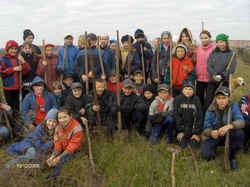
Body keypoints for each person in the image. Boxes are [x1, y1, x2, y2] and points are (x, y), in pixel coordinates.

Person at [201, 86, 245, 170]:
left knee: (239, 133)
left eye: (224, 98)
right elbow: (205, 129)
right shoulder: (210, 110)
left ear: (229, 98)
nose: (221, 101)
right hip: (215, 136)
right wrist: (211, 133)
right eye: (219, 98)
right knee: (206, 155)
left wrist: (229, 126)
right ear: (215, 99)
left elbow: (241, 122)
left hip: (228, 133)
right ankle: (215, 155)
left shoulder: (234, 107)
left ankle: (232, 157)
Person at [46, 107, 83, 179]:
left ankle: (52, 178)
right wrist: (53, 156)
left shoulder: (77, 127)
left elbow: (72, 147)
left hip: (74, 151)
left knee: (63, 161)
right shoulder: (58, 127)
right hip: (63, 149)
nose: (62, 120)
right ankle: (37, 168)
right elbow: (57, 144)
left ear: (70, 116)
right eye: (60, 118)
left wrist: (59, 158)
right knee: (49, 156)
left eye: (65, 117)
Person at [203, 33, 237, 112]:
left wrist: (222, 75)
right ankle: (206, 120)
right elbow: (209, 66)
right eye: (218, 42)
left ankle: (221, 121)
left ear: (226, 42)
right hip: (213, 81)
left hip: (224, 82)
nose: (220, 44)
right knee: (208, 101)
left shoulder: (231, 55)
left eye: (222, 42)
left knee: (222, 102)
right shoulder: (213, 54)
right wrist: (215, 75)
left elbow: (232, 69)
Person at [0, 40, 30, 115]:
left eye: (15, 49)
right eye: (11, 49)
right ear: (7, 49)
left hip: (18, 87)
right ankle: (11, 121)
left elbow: (27, 70)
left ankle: (18, 120)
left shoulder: (19, 59)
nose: (14, 51)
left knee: (19, 106)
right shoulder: (3, 59)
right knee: (9, 106)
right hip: (8, 88)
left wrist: (23, 62)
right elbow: (1, 72)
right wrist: (13, 69)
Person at [173, 81, 203, 149]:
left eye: (190, 89)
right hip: (182, 130)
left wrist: (196, 133)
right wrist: (180, 131)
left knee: (194, 146)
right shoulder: (178, 99)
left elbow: (199, 117)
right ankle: (181, 136)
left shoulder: (196, 100)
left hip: (193, 131)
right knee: (182, 146)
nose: (188, 91)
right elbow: (177, 117)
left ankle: (193, 137)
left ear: (194, 91)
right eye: (186, 89)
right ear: (182, 90)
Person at [195, 30, 216, 106]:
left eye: (206, 38)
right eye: (202, 38)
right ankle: (199, 115)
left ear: (210, 38)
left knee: (209, 100)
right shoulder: (198, 49)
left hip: (210, 78)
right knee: (199, 98)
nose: (203, 40)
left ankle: (207, 115)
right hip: (200, 78)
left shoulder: (214, 49)